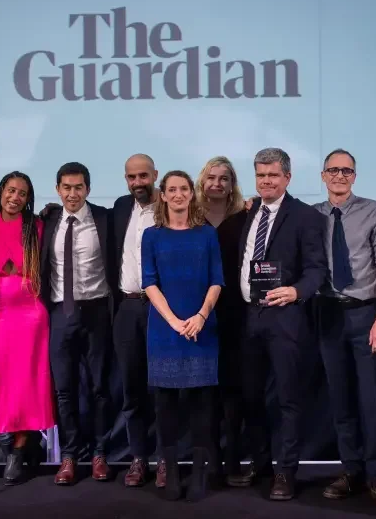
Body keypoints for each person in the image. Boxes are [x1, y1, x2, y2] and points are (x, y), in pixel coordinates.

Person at [227, 147, 327, 501]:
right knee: (251, 398)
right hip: (249, 318)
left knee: (287, 399)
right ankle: (260, 462)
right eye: (260, 175)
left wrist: (296, 291)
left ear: (287, 177)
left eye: (272, 175)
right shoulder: (249, 211)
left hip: (286, 319)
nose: (266, 181)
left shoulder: (305, 217)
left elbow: (317, 269)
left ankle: (285, 472)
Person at [312, 149, 376, 510]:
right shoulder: (311, 215)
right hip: (328, 314)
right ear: (322, 175)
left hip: (366, 314)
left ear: (355, 176)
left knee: (373, 399)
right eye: (333, 170)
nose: (339, 175)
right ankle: (351, 470)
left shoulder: (374, 210)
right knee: (340, 398)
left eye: (346, 170)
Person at [141, 170, 224, 502]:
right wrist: (175, 321)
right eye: (171, 189)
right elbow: (149, 282)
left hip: (202, 328)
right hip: (165, 330)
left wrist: (201, 316)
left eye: (183, 189)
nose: (177, 194)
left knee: (202, 406)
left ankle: (200, 473)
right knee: (166, 407)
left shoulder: (207, 235)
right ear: (163, 195)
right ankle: (172, 472)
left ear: (192, 194)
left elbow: (216, 280)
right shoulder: (152, 235)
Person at [0, 171, 55, 485]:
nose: (15, 197)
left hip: (31, 317)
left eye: (22, 193)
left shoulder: (36, 226)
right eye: (11, 190)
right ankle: (6, 441)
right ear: (0, 193)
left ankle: (17, 453)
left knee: (26, 384)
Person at [40, 162, 116, 486]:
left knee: (99, 388)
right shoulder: (48, 219)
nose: (72, 193)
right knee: (64, 390)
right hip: (61, 313)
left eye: (79, 187)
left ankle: (99, 454)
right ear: (58, 189)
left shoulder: (105, 218)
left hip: (98, 311)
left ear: (88, 189)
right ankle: (69, 455)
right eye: (66, 187)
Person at [111, 154, 164, 487]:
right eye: (132, 177)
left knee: (163, 390)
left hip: (164, 311)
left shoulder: (174, 205)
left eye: (143, 176)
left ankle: (165, 460)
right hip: (128, 309)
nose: (138, 183)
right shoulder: (119, 208)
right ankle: (139, 458)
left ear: (155, 175)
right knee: (131, 389)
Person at [194, 156, 247, 481]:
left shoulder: (246, 217)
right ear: (202, 181)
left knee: (233, 392)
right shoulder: (190, 217)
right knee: (204, 393)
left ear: (232, 184)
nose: (217, 183)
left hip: (236, 314)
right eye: (211, 177)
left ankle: (233, 461)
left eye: (223, 178)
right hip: (198, 313)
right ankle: (210, 463)